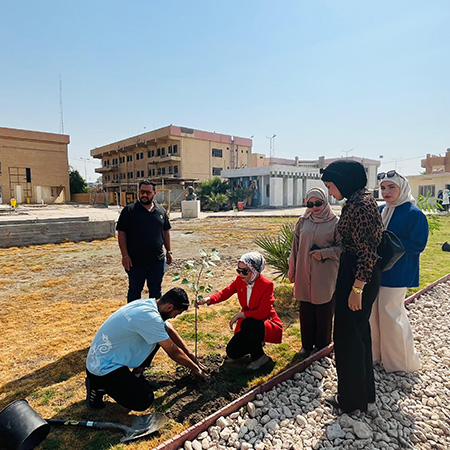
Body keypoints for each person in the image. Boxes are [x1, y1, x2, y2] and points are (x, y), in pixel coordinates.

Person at [321, 160, 383, 413]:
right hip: (356, 272)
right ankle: (363, 394)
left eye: (330, 186)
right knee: (358, 335)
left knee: (347, 337)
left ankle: (351, 401)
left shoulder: (361, 206)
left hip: (359, 274)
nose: (329, 192)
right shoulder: (359, 201)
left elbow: (368, 251)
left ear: (344, 181)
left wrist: (357, 288)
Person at [85, 287, 207, 410]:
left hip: (110, 356)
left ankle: (137, 377)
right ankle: (97, 386)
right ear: (169, 307)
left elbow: (168, 329)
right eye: (177, 313)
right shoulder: (151, 318)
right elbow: (173, 351)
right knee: (143, 400)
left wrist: (191, 356)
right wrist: (195, 369)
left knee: (160, 337)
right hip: (102, 367)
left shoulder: (149, 305)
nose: (174, 317)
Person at [370, 171, 428, 373]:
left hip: (397, 272)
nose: (386, 191)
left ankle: (400, 363)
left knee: (391, 316)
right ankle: (375, 356)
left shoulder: (414, 213)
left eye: (391, 187)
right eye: (383, 188)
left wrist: (389, 243)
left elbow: (418, 245)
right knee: (373, 316)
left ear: (401, 188)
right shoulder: (381, 210)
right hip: (376, 271)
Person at [196, 252, 283, 370]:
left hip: (265, 322)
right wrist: (208, 299)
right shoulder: (240, 280)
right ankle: (255, 343)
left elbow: (263, 312)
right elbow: (225, 292)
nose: (241, 274)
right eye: (239, 270)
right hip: (250, 323)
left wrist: (241, 315)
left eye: (245, 271)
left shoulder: (267, 285)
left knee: (249, 324)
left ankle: (260, 357)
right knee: (232, 352)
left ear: (255, 270)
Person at [288, 187, 341, 357]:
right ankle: (306, 345)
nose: (314, 207)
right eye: (310, 203)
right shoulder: (303, 221)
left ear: (325, 202)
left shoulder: (335, 222)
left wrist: (324, 253)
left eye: (318, 203)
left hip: (324, 273)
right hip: (304, 271)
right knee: (306, 309)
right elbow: (295, 247)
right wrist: (292, 268)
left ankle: (322, 346)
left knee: (323, 309)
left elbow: (343, 248)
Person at [117, 180, 173, 302]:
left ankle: (153, 318)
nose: (144, 195)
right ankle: (132, 319)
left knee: (156, 291)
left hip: (157, 261)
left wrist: (169, 251)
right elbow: (121, 234)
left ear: (154, 193)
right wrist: (125, 255)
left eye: (148, 192)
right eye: (142, 192)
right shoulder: (129, 211)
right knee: (134, 291)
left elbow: (166, 231)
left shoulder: (161, 211)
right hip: (135, 262)